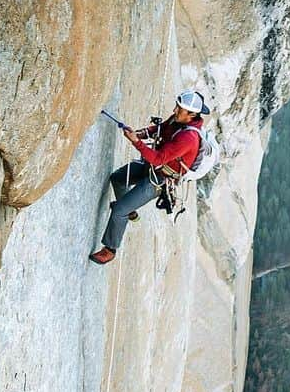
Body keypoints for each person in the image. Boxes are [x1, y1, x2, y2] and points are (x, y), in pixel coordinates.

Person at [89, 90, 211, 265]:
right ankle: (129, 209)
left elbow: (157, 158)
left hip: (159, 179)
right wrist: (140, 134)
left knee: (119, 210)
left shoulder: (189, 138)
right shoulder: (178, 120)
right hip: (153, 168)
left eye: (180, 109)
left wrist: (135, 142)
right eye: (177, 106)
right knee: (117, 178)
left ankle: (110, 249)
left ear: (191, 115)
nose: (175, 110)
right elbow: (159, 129)